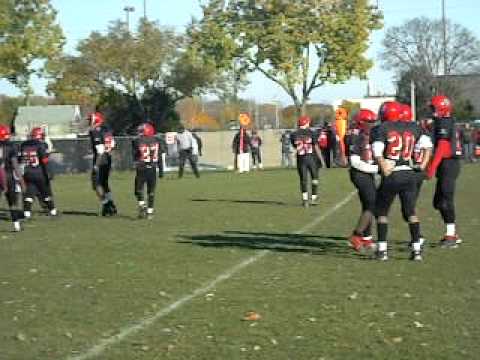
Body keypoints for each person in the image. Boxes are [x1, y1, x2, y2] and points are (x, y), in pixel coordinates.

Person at [372, 101, 432, 261]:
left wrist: (383, 165)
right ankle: (416, 250)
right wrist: (423, 164)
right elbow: (427, 145)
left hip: (393, 174)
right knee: (411, 212)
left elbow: (377, 149)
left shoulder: (383, 128)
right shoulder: (413, 126)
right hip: (409, 173)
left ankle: (382, 251)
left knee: (382, 213)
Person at [426, 95, 463, 248]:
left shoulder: (443, 122)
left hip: (448, 163)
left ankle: (451, 235)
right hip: (448, 164)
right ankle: (452, 232)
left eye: (434, 108)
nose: (432, 111)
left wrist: (431, 168)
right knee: (438, 202)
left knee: (445, 200)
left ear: (442, 108)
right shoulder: (447, 121)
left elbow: (442, 148)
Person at [346, 109, 378, 252]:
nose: (373, 124)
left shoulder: (369, 135)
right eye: (370, 122)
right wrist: (376, 169)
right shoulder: (356, 136)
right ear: (362, 122)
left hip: (368, 172)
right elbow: (355, 162)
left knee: (368, 205)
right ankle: (356, 235)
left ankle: (367, 237)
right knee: (372, 204)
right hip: (359, 173)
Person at [20, 127, 58, 219]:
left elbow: (20, 160)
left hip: (27, 173)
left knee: (29, 194)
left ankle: (27, 213)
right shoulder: (41, 145)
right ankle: (53, 211)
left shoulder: (24, 145)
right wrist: (49, 172)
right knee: (46, 193)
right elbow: (44, 161)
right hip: (39, 172)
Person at [88, 111, 118, 216]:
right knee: (104, 183)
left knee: (96, 184)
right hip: (108, 158)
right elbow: (113, 145)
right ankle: (111, 204)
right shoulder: (107, 130)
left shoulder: (96, 132)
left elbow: (100, 151)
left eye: (90, 120)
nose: (89, 122)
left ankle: (107, 205)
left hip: (101, 159)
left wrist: (96, 165)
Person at [290, 115, 322, 207]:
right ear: (307, 123)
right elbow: (316, 146)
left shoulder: (293, 134)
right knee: (315, 178)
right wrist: (321, 159)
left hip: (301, 159)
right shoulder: (312, 133)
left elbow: (295, 146)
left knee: (303, 180)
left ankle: (305, 200)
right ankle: (314, 198)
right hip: (311, 158)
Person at [132, 123, 161, 219]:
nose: (139, 133)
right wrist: (161, 170)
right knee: (151, 191)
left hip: (142, 167)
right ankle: (150, 212)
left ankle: (142, 205)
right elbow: (160, 155)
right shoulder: (156, 140)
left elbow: (136, 154)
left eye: (141, 131)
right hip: (153, 168)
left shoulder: (137, 140)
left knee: (138, 190)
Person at [0, 125, 25, 231]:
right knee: (12, 202)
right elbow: (15, 165)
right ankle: (16, 225)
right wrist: (21, 180)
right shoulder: (10, 146)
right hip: (8, 175)